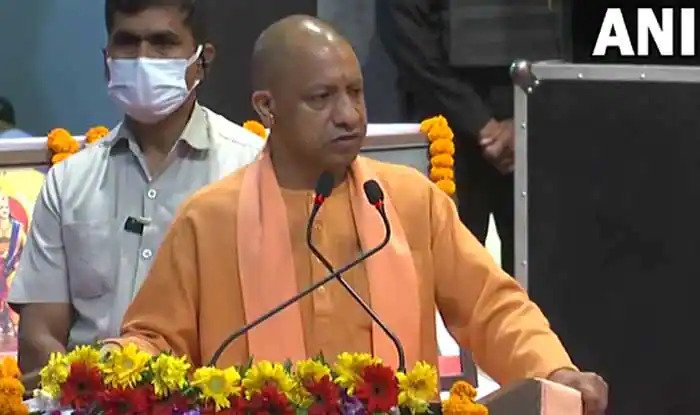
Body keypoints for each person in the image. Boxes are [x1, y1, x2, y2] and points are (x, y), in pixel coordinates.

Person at [104, 15, 607, 414]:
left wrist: (553, 369)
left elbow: (492, 308)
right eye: (322, 98)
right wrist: (119, 362)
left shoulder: (407, 200)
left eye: (355, 92)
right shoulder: (210, 218)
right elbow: (156, 339)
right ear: (267, 107)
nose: (348, 115)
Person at [8, 0, 263, 389]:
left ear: (202, 60)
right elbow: (39, 336)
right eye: (127, 42)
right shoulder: (68, 181)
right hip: (89, 404)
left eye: (163, 43)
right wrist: (89, 397)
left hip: (213, 400)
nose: (143, 58)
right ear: (106, 59)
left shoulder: (252, 167)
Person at [376, 1, 561, 276]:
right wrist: (481, 123)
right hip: (446, 131)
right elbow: (407, 35)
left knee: (542, 278)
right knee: (449, 275)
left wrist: (527, 117)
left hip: (539, 124)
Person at [0, 193, 25, 336]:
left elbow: (26, 249)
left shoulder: (17, 228)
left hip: (11, 265)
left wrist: (18, 262)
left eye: (5, 207)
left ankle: (14, 324)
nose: (3, 210)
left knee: (11, 287)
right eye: (0, 208)